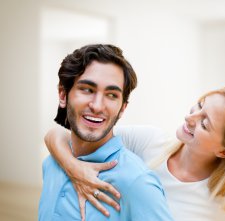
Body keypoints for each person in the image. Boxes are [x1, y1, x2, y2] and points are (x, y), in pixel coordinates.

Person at [45, 86, 225, 221]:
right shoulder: (149, 141)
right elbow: (61, 135)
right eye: (199, 105)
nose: (190, 117)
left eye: (205, 123)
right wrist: (75, 169)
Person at [38, 44, 174, 221]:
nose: (97, 106)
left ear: (122, 109)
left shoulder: (136, 182)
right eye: (87, 89)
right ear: (63, 95)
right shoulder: (51, 164)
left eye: (111, 95)